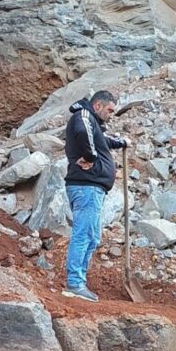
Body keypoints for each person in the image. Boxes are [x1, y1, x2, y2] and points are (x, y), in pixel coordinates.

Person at [62, 89, 125, 302]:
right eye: (109, 109)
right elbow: (83, 132)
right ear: (98, 105)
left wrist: (120, 142)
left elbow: (100, 140)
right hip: (86, 186)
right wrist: (90, 156)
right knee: (84, 234)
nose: (111, 114)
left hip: (92, 188)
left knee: (92, 236)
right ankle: (75, 283)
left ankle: (79, 281)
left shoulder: (92, 121)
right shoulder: (84, 116)